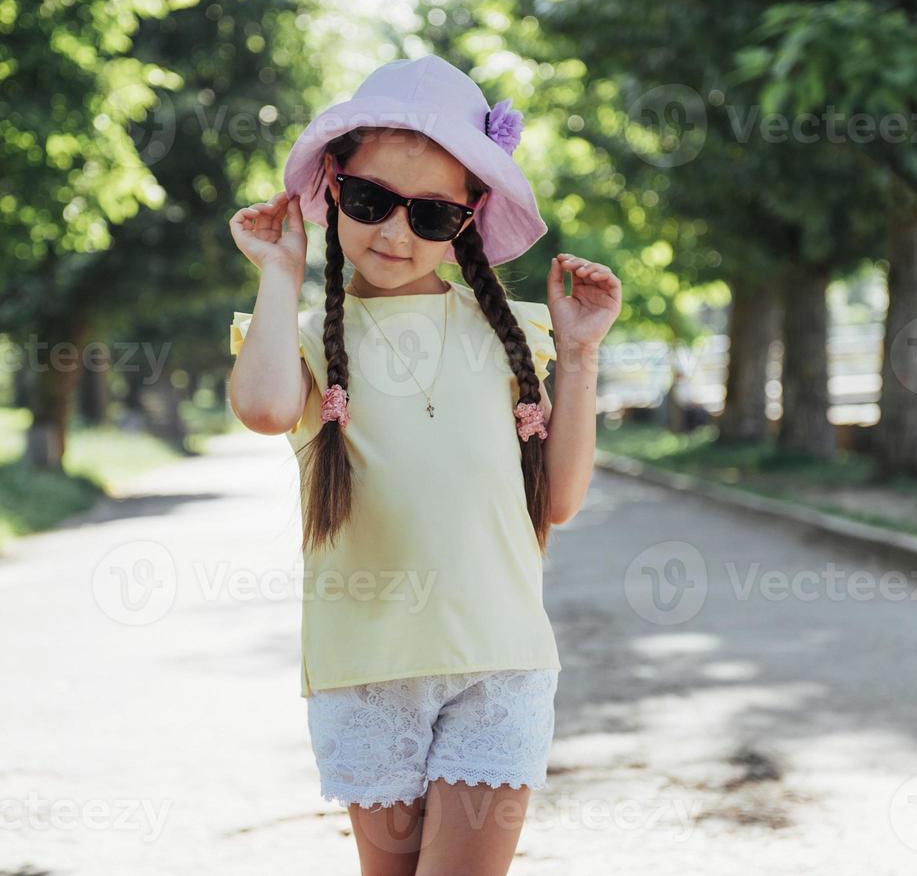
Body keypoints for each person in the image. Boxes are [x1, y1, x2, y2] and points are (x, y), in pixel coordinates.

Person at [227, 55, 621, 876]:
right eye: (370, 202)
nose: (396, 233)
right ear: (332, 187)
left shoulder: (515, 335)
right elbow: (264, 408)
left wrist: (579, 358)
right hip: (367, 670)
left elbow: (558, 502)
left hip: (499, 663)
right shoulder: (302, 342)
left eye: (432, 214)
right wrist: (279, 273)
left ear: (471, 218)